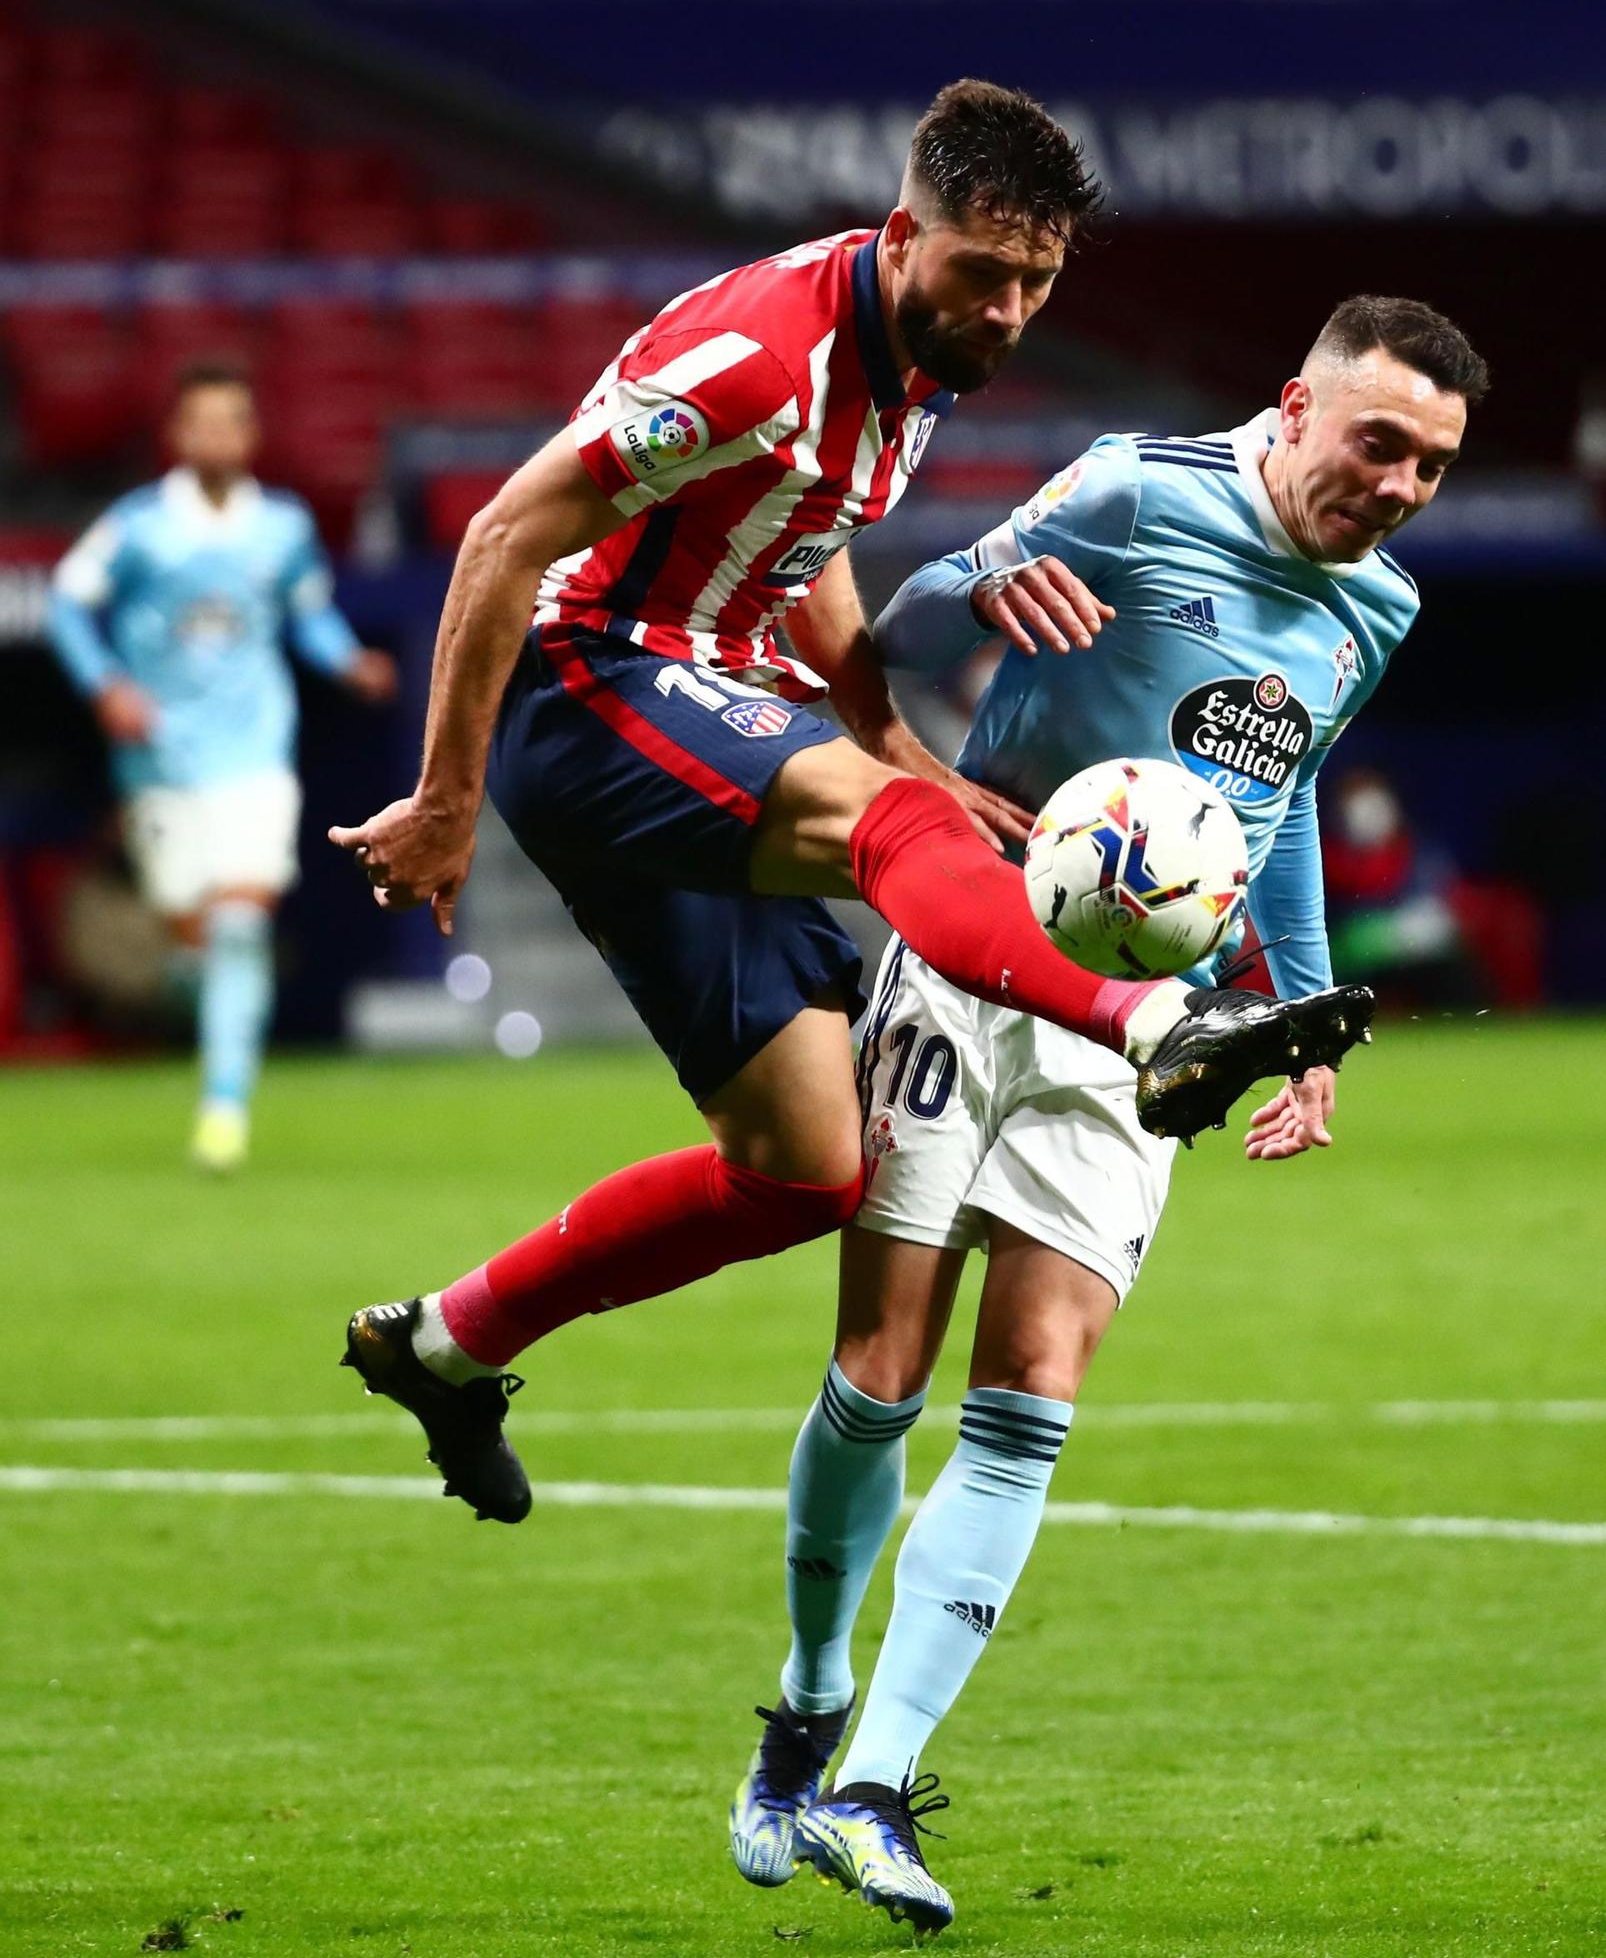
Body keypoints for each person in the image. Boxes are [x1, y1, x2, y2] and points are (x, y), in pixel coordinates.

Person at [331, 81, 1370, 1529]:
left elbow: (804, 526)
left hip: (708, 700)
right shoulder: (761, 356)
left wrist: (889, 729)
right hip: (602, 684)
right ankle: (1160, 1023)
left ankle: (443, 1345)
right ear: (901, 235)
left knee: (808, 1170)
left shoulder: (915, 358)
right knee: (905, 838)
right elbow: (505, 533)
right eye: (983, 274)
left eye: (1036, 283)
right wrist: (445, 797)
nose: (1009, 310)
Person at [728, 295, 1488, 1932]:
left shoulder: (1383, 605)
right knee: (883, 1371)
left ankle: (873, 1787)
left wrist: (1300, 1028)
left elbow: (1274, 805)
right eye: (1381, 444)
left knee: (1038, 1385)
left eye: (1431, 465)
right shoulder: (1136, 488)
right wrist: (981, 581)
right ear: (1297, 407)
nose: (1401, 485)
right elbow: (903, 626)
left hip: (1149, 1018)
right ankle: (802, 1704)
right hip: (973, 946)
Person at [46, 362, 397, 1171]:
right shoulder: (137, 526)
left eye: (231, 421)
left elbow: (308, 618)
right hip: (162, 760)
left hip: (254, 755)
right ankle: (201, 1012)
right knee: (192, 940)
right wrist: (107, 686)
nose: (216, 436)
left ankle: (223, 1108)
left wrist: (348, 664)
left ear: (251, 434)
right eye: (200, 422)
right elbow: (67, 602)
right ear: (177, 435)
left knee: (240, 928)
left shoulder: (282, 526)